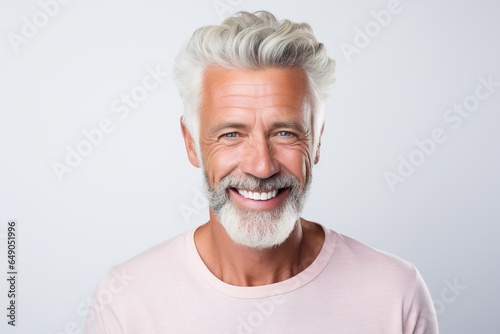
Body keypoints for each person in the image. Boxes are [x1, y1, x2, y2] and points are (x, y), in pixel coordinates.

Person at [85, 11, 438, 333]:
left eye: (285, 133)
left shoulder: (394, 294)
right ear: (191, 143)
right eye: (231, 135)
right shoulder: (126, 301)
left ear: (316, 142)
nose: (262, 166)